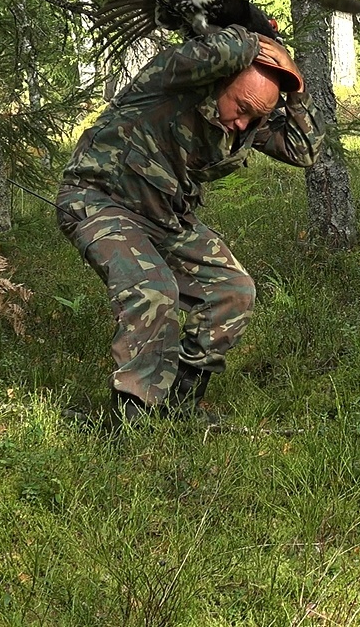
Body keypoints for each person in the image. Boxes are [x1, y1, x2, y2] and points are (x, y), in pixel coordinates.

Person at [55, 25, 316, 424]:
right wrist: (255, 37)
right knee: (152, 291)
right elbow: (211, 51)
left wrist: (295, 90)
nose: (243, 123)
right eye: (241, 107)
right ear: (221, 81)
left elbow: (303, 149)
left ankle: (181, 405)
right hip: (98, 199)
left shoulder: (246, 122)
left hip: (164, 218)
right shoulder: (173, 80)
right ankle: (132, 422)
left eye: (255, 116)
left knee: (233, 289)